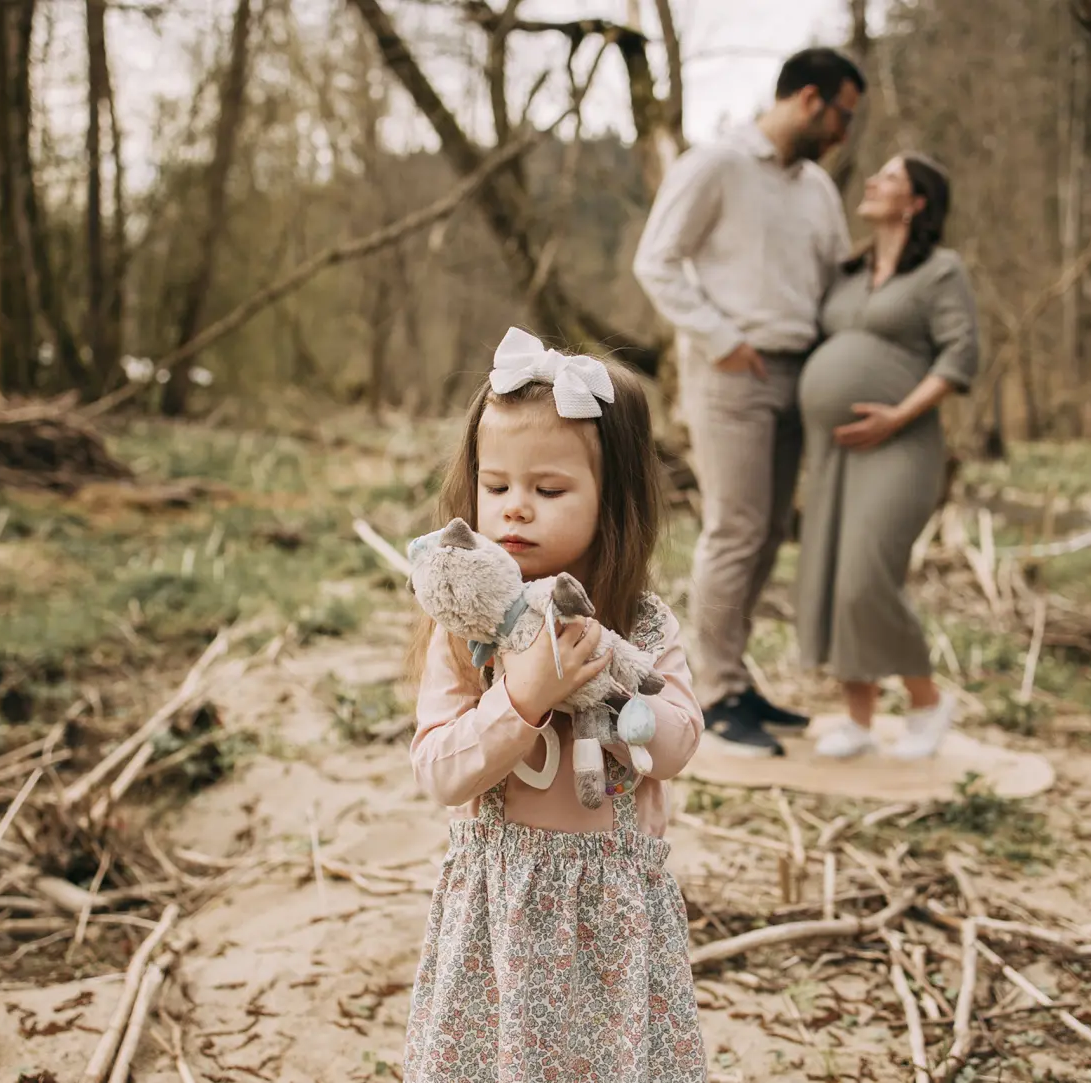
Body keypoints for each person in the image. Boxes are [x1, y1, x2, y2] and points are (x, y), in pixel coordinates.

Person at [401, 329, 707, 1082]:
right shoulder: (466, 631)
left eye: (548, 489)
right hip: (498, 918)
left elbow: (679, 740)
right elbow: (441, 772)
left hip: (612, 918)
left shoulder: (641, 625)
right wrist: (525, 696)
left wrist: (618, 691)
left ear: (613, 501)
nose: (515, 511)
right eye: (497, 485)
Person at [633, 47, 867, 758]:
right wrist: (720, 337)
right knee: (734, 527)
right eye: (841, 117)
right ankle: (711, 690)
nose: (843, 134)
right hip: (731, 371)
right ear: (807, 98)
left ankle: (738, 683)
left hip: (805, 372)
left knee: (768, 532)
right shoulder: (715, 164)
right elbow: (657, 260)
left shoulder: (817, 190)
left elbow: (834, 278)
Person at [795, 154, 980, 760]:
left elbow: (959, 358)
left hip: (901, 443)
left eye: (890, 178)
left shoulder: (939, 271)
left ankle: (927, 703)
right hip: (836, 448)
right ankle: (859, 718)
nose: (872, 182)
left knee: (866, 575)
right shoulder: (848, 271)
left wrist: (898, 414)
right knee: (829, 571)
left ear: (917, 202)